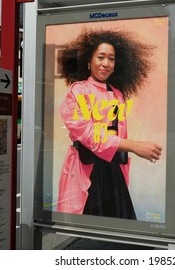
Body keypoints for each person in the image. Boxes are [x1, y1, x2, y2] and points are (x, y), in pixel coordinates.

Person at [56, 28, 162, 219]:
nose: (106, 63)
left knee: (120, 227)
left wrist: (127, 147)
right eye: (101, 57)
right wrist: (133, 146)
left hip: (112, 171)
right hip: (86, 167)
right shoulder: (78, 91)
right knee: (86, 230)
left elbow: (116, 131)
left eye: (111, 59)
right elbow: (87, 134)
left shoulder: (117, 94)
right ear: (89, 61)